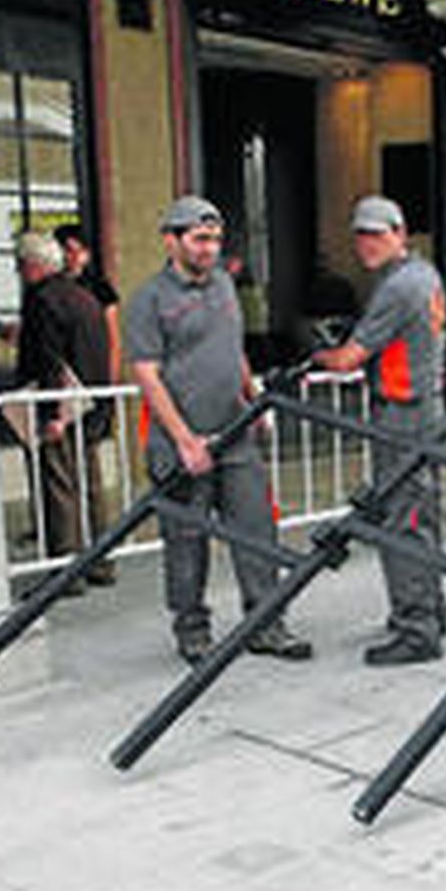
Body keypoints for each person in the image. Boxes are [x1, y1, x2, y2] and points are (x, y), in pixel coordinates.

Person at [124, 196, 313, 666]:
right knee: (187, 543)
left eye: (215, 239)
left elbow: (233, 351)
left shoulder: (226, 285)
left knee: (257, 532)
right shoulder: (149, 300)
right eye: (199, 239)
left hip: (236, 436)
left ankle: (266, 625)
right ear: (172, 240)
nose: (209, 248)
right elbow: (146, 375)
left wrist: (254, 401)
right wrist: (186, 441)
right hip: (181, 444)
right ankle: (193, 632)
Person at [312, 196, 446, 666]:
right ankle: (432, 610)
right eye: (360, 234)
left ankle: (417, 630)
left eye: (377, 233)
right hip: (423, 408)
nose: (366, 243)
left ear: (400, 233)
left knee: (403, 521)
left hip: (404, 414)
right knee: (422, 516)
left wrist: (314, 357)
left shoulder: (398, 287)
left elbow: (350, 358)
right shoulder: (422, 274)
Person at [14, 231, 115, 587]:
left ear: (34, 265)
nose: (20, 272)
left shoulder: (43, 300)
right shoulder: (84, 297)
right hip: (90, 404)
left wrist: (53, 414)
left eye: (21, 265)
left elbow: (50, 360)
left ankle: (67, 572)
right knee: (90, 486)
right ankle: (101, 563)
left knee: (59, 487)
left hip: (60, 405)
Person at [54, 223, 121, 382]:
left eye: (81, 251)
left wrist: (112, 380)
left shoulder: (99, 288)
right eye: (69, 250)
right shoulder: (50, 289)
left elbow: (113, 339)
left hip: (92, 366)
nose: (75, 257)